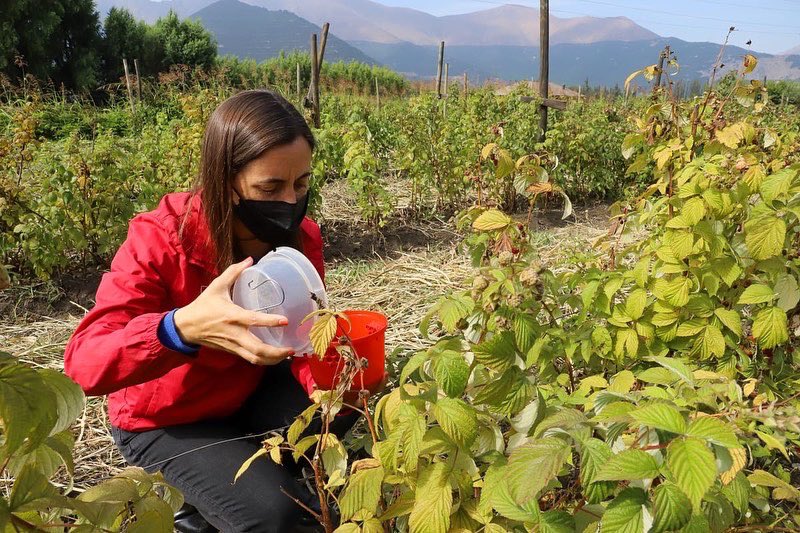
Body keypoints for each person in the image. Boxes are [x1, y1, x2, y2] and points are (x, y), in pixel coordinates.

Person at [64, 90, 369, 533]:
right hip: (168, 419)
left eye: (301, 184)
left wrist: (324, 384)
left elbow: (305, 334)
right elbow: (82, 365)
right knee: (275, 518)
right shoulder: (161, 239)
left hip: (247, 392)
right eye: (270, 187)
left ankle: (221, 499)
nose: (289, 201)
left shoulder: (302, 239)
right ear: (226, 181)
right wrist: (179, 328)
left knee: (351, 425)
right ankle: (196, 513)